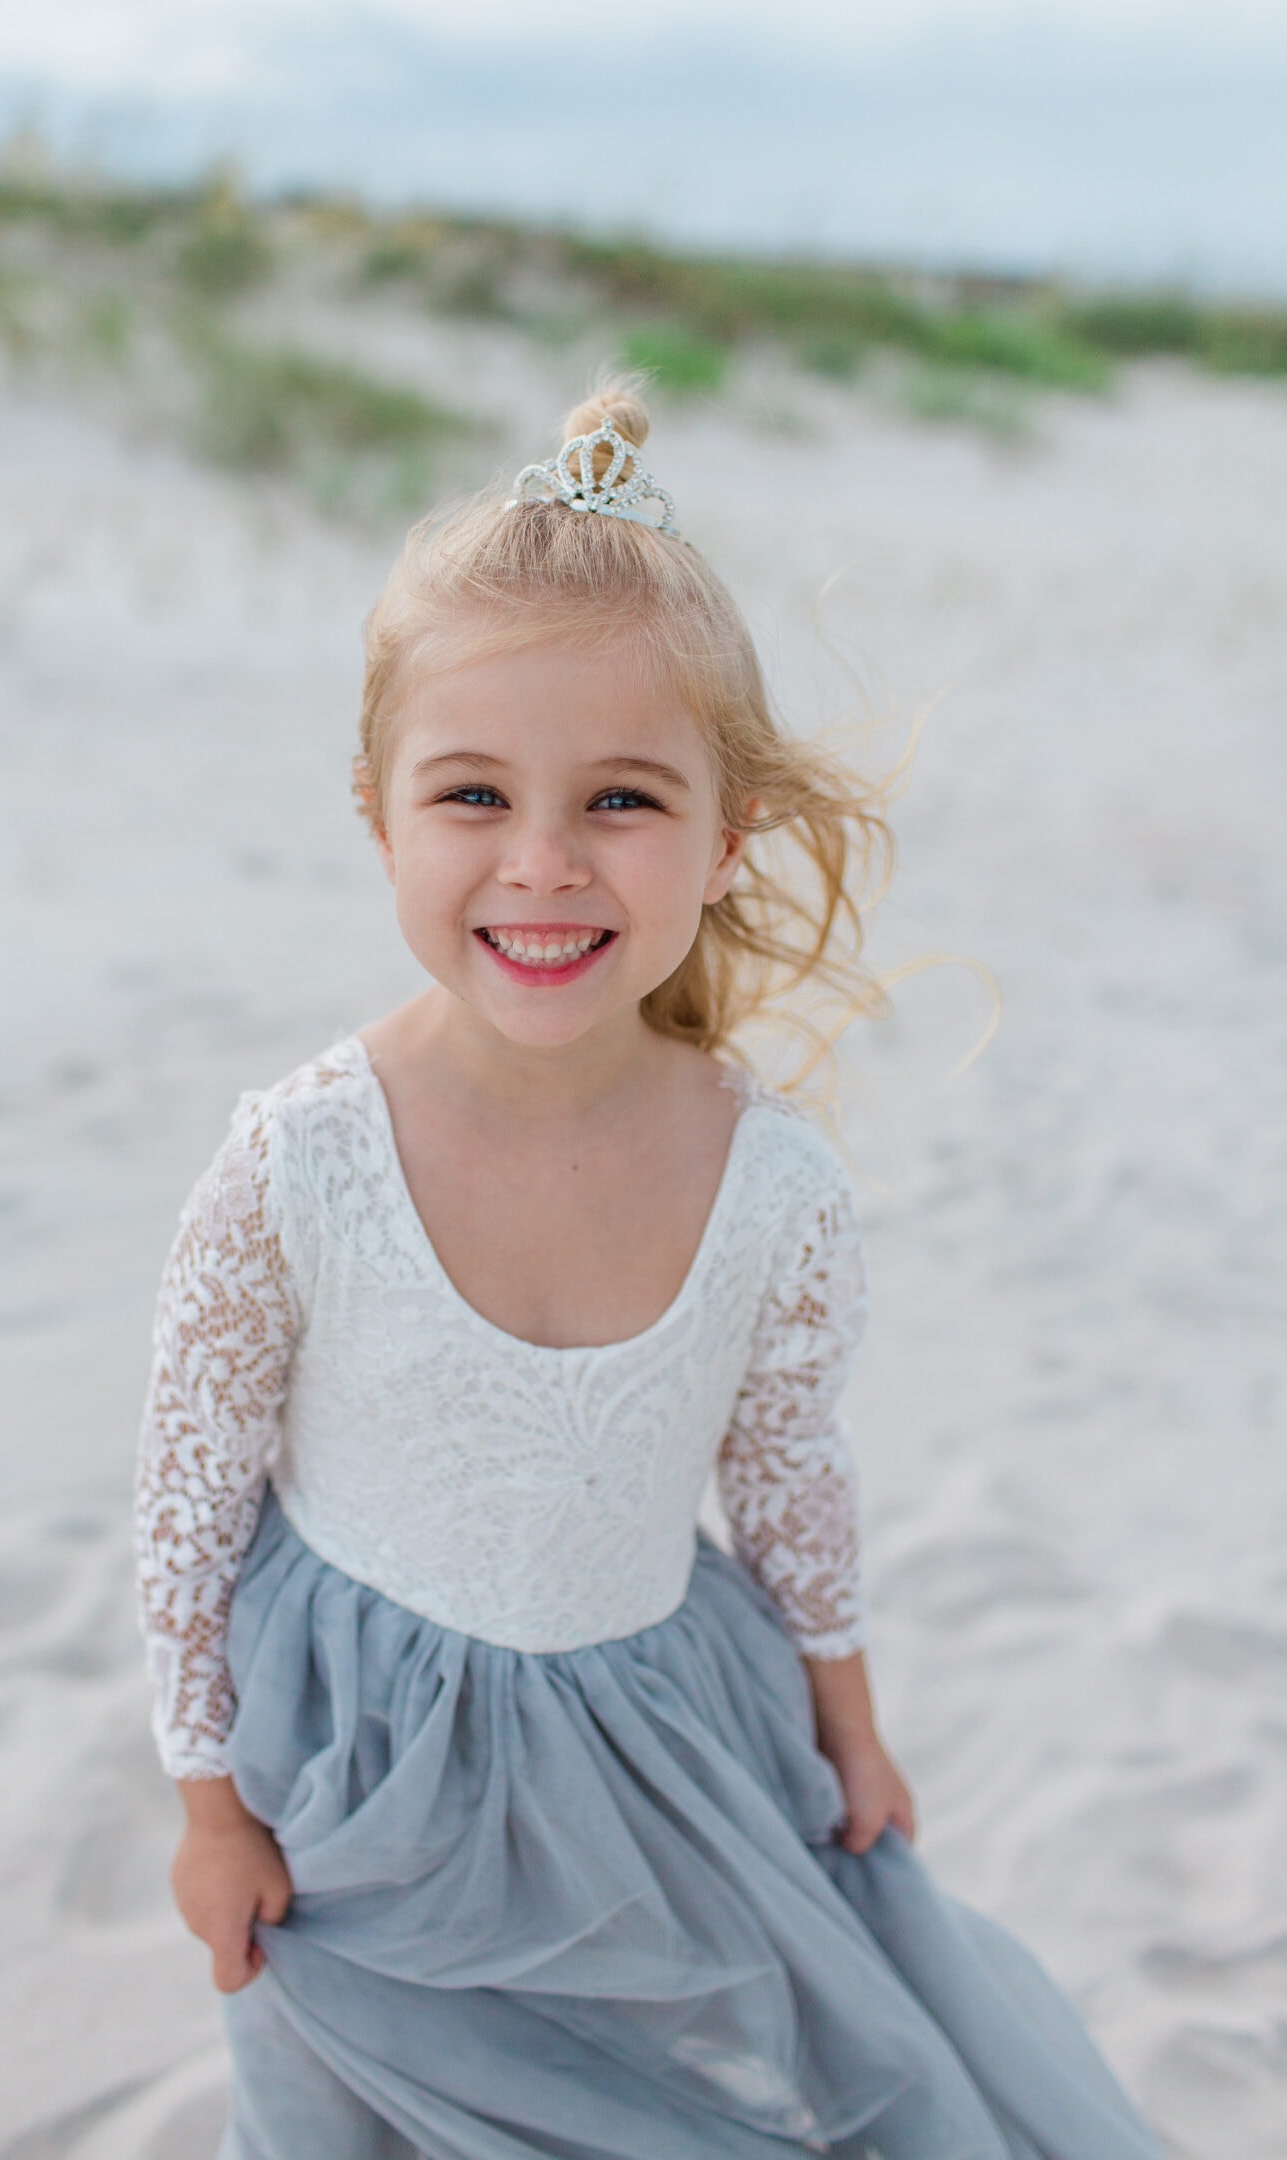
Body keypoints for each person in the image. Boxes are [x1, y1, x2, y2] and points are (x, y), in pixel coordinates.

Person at [133, 384, 1162, 2159]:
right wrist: (209, 1806)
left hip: (655, 1751)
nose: (542, 862)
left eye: (622, 798)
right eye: (474, 795)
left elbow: (786, 1473)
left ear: (727, 829)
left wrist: (853, 1728)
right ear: (380, 814)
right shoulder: (297, 1165)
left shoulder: (772, 1186)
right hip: (358, 1772)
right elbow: (186, 1506)